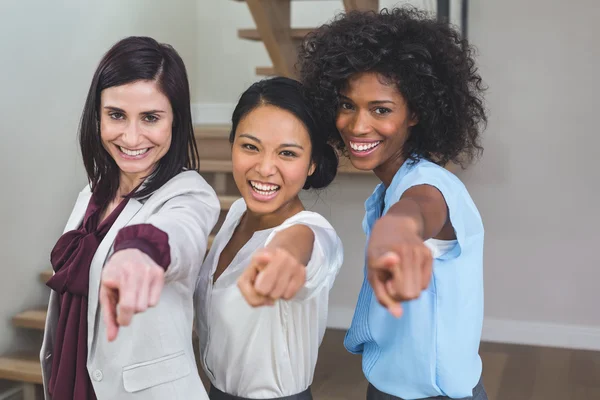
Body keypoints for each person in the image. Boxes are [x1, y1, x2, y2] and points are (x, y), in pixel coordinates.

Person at [299, 7, 488, 400]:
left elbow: (419, 209)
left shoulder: (429, 185)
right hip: (387, 386)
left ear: (415, 113)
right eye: (348, 105)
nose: (357, 125)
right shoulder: (389, 188)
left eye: (380, 110)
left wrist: (399, 230)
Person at [40, 36, 220, 400]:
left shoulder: (189, 193)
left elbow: (180, 232)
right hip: (73, 379)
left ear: (176, 120)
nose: (131, 136)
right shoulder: (93, 192)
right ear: (98, 115)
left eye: (151, 117)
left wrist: (141, 251)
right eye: (116, 115)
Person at [195, 77, 343, 400]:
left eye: (287, 154)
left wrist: (284, 258)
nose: (264, 168)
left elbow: (301, 244)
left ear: (312, 163)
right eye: (250, 146)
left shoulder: (312, 231)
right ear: (232, 143)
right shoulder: (236, 213)